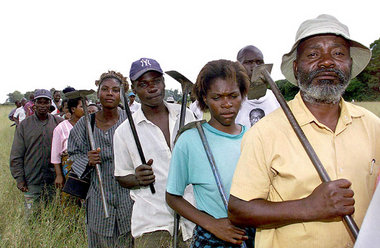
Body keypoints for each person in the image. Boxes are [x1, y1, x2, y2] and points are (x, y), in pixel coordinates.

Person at [228, 14, 380, 248]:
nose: (327, 62)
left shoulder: (373, 126)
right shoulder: (265, 132)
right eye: (313, 54)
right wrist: (309, 207)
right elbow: (239, 210)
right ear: (297, 68)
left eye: (338, 53)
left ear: (350, 64)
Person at [166, 59, 255, 247]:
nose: (227, 104)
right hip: (212, 239)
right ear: (204, 99)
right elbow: (172, 196)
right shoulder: (190, 140)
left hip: (256, 235)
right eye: (217, 98)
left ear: (242, 95)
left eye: (233, 95)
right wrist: (212, 224)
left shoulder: (254, 138)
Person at [114, 58, 195, 247]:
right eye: (143, 84)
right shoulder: (124, 132)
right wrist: (136, 178)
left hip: (194, 217)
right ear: (133, 88)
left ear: (164, 83)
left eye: (156, 81)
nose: (152, 88)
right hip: (152, 222)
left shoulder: (186, 114)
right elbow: (121, 176)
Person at [68, 71, 133, 248]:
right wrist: (87, 159)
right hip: (98, 199)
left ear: (122, 94)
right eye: (104, 89)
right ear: (98, 94)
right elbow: (73, 152)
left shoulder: (131, 122)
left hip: (128, 201)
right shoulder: (86, 124)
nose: (110, 93)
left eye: (115, 90)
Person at [10, 89, 64, 216]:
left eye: (46, 102)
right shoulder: (24, 125)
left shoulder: (58, 123)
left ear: (50, 104)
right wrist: (19, 178)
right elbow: (16, 154)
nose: (43, 105)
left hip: (54, 181)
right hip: (31, 180)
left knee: (53, 216)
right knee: (32, 218)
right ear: (34, 104)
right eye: (39, 102)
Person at [235, 45, 280, 128]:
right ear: (238, 66)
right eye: (248, 62)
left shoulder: (274, 96)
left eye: (259, 62)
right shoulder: (232, 99)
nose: (255, 67)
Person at [51, 88, 83, 189]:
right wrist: (59, 175)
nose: (85, 109)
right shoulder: (61, 128)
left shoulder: (89, 126)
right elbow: (55, 155)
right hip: (68, 166)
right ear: (73, 109)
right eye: (82, 107)